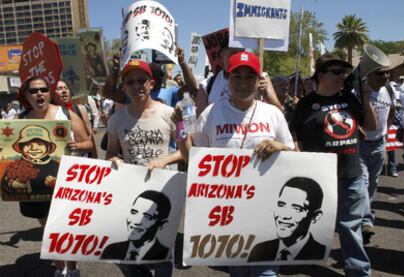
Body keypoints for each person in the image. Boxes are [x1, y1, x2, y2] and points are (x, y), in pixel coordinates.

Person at [173, 51, 295, 277]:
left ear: (259, 80)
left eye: (249, 76)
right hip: (228, 214)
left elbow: (295, 156)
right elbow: (193, 159)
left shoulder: (273, 114)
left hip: (266, 212)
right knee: (238, 272)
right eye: (236, 76)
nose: (242, 82)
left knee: (266, 273)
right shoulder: (211, 113)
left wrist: (281, 147)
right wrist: (180, 128)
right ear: (227, 79)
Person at [293, 53, 377, 277]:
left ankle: (359, 272)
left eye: (345, 72)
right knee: (315, 225)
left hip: (351, 175)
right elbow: (296, 138)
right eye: (337, 72)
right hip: (320, 179)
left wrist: (366, 101)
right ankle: (306, 263)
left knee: (350, 227)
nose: (343, 76)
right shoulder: (305, 105)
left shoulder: (350, 99)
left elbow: (370, 126)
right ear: (321, 75)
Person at [106, 59, 182, 277]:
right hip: (131, 192)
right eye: (130, 82)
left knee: (162, 254)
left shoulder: (168, 113)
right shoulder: (116, 119)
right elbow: (111, 151)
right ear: (124, 87)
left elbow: (185, 151)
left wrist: (165, 161)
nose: (136, 86)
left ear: (151, 84)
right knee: (125, 255)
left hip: (164, 189)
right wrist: (114, 159)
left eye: (141, 81)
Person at [16, 76, 93, 277]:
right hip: (36, 185)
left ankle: (73, 267)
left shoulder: (65, 114)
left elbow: (89, 143)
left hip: (67, 182)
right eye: (33, 91)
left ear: (49, 93)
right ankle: (60, 268)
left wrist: (76, 145)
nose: (39, 93)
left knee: (66, 227)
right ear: (26, 95)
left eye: (43, 89)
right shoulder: (19, 121)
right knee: (49, 229)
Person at [248, 177, 326, 262]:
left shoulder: (321, 253)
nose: (284, 215)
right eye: (281, 205)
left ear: (315, 217)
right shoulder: (259, 250)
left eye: (297, 208)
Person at [359, 65, 395, 244]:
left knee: (372, 183)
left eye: (388, 73)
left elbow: (392, 110)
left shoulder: (389, 89)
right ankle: (366, 221)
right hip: (361, 145)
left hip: (379, 144)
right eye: (381, 73)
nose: (386, 76)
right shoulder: (358, 90)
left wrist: (385, 131)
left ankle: (365, 212)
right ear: (369, 74)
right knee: (363, 181)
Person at [101, 190, 171, 260]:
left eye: (147, 216)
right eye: (134, 212)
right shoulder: (111, 250)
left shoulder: (165, 255)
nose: (136, 221)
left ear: (162, 225)